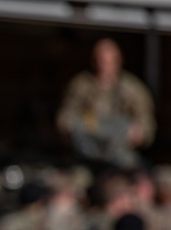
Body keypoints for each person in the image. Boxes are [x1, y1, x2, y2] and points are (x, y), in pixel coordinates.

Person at [57, 37, 155, 169]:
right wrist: (73, 132)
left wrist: (137, 133)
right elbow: (65, 118)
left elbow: (146, 123)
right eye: (100, 60)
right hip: (87, 153)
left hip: (120, 155)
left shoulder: (133, 89)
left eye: (109, 61)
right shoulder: (81, 85)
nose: (103, 65)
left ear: (118, 61)